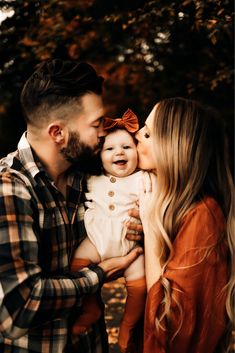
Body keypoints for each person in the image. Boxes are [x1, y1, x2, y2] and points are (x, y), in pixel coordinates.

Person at [0, 59, 143, 353]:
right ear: (58, 133)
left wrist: (137, 229)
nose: (104, 133)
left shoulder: (83, 177)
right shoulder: (9, 188)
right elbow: (20, 308)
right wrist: (98, 275)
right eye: (95, 124)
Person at [135, 97, 234, 353]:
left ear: (173, 146)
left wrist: (151, 231)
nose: (136, 134)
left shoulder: (204, 217)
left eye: (147, 133)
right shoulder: (173, 208)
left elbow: (171, 327)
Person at [71, 109, 148, 353]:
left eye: (127, 147)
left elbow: (155, 208)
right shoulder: (92, 178)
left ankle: (127, 325)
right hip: (96, 239)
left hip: (131, 245)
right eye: (110, 149)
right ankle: (91, 307)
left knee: (139, 286)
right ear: (100, 156)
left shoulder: (144, 179)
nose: (119, 152)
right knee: (76, 266)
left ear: (137, 152)